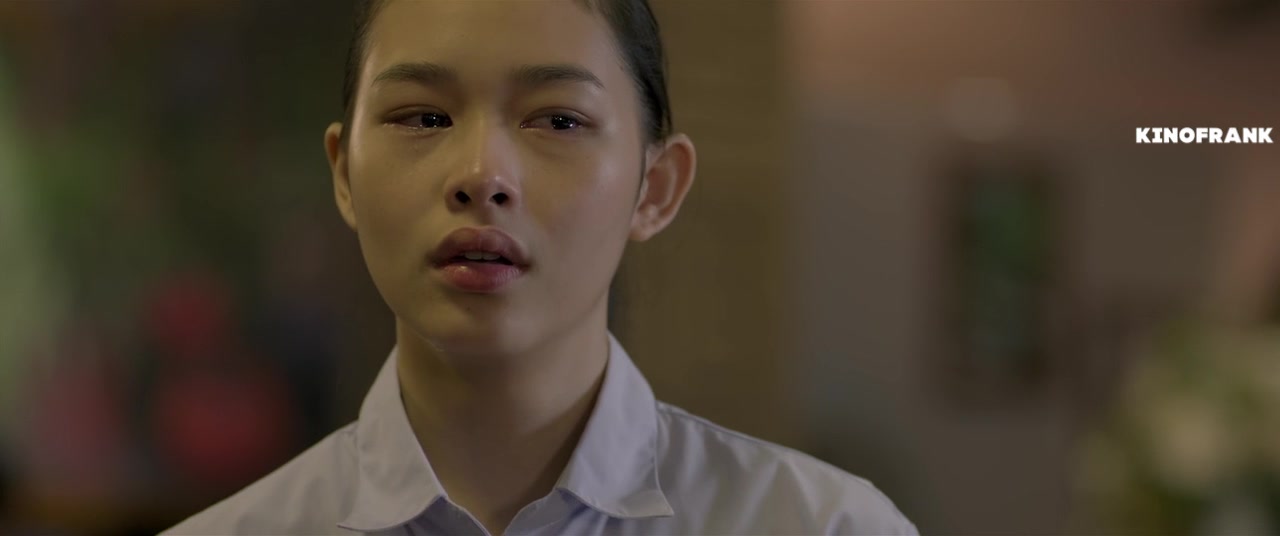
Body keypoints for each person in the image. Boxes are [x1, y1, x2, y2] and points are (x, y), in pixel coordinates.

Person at [164, 0, 918, 534]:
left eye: (559, 119)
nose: (482, 174)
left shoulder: (821, 525)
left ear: (655, 189)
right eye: (424, 116)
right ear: (343, 174)